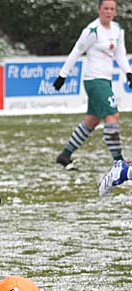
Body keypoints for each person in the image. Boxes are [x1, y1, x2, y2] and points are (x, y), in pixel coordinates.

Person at [52, 0, 132, 170]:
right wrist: (63, 75)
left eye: (112, 9)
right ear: (99, 10)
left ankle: (64, 155)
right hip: (94, 80)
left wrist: (128, 73)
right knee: (113, 116)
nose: (108, 12)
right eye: (105, 8)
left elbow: (120, 54)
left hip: (105, 80)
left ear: (115, 11)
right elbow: (77, 51)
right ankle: (119, 162)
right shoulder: (92, 30)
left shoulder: (118, 30)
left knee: (92, 120)